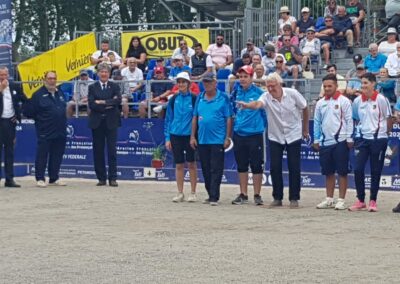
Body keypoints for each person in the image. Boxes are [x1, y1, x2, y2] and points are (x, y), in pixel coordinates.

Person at [237, 73, 309, 208]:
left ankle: (294, 198)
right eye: (268, 86)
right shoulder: (266, 96)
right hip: (275, 135)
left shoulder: (293, 93)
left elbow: (305, 108)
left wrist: (305, 129)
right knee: (275, 167)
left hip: (293, 134)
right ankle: (277, 197)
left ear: (279, 84)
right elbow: (258, 104)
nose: (270, 89)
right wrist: (247, 106)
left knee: (294, 167)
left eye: (272, 86)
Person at [349, 73, 393, 212]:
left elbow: (389, 118)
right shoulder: (357, 101)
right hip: (362, 140)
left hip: (378, 139)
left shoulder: (381, 99)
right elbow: (355, 118)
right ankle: (361, 200)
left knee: (375, 170)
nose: (363, 86)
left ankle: (373, 201)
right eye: (362, 83)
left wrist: (384, 134)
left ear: (373, 84)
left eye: (366, 83)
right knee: (357, 169)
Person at [190, 73, 233, 206]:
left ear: (215, 83)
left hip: (217, 139)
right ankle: (210, 193)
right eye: (205, 82)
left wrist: (227, 137)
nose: (207, 85)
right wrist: (192, 136)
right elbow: (195, 117)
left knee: (216, 168)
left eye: (209, 82)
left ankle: (214, 196)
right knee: (205, 168)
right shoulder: (200, 97)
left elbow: (229, 118)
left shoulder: (223, 97)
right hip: (202, 139)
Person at [313, 74, 353, 210]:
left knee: (342, 172)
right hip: (325, 143)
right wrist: (316, 139)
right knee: (328, 172)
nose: (327, 88)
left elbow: (349, 120)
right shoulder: (320, 103)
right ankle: (329, 199)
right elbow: (317, 122)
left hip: (340, 141)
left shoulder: (344, 101)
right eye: (325, 86)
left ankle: (341, 200)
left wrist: (349, 138)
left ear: (336, 86)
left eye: (330, 86)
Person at [23, 71, 67, 188]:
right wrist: (41, 121)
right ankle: (40, 178)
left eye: (54, 78)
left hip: (60, 130)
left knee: (57, 155)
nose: (52, 81)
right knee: (42, 155)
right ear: (44, 80)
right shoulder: (38, 94)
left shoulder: (60, 93)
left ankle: (54, 178)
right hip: (45, 131)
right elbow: (29, 112)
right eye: (50, 78)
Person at [230, 66, 267, 206]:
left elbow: (264, 113)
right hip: (239, 134)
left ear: (251, 78)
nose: (242, 79)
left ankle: (257, 194)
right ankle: (243, 194)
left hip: (255, 134)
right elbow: (232, 108)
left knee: (257, 165)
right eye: (240, 76)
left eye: (246, 76)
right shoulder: (236, 92)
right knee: (241, 165)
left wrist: (259, 127)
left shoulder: (259, 93)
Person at [164, 72, 198, 203]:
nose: (181, 84)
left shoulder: (195, 98)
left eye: (184, 82)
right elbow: (168, 119)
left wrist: (194, 136)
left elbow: (196, 118)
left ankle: (193, 192)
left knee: (192, 164)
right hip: (175, 135)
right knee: (179, 165)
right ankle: (180, 192)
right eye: (179, 82)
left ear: (189, 84)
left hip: (189, 136)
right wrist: (167, 138)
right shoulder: (173, 99)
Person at [88, 63, 122, 187]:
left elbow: (117, 100)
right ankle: (101, 178)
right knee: (98, 151)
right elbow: (92, 104)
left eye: (106, 72)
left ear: (109, 74)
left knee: (112, 150)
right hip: (97, 122)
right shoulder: (92, 87)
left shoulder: (114, 86)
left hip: (111, 122)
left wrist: (102, 102)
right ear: (98, 74)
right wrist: (108, 104)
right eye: (101, 72)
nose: (104, 74)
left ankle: (112, 178)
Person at [0, 66, 25, 187]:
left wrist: (18, 115)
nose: (3, 77)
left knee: (9, 151)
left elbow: (23, 100)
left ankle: (9, 179)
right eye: (1, 75)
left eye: (5, 75)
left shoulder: (14, 86)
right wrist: (1, 89)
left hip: (10, 122)